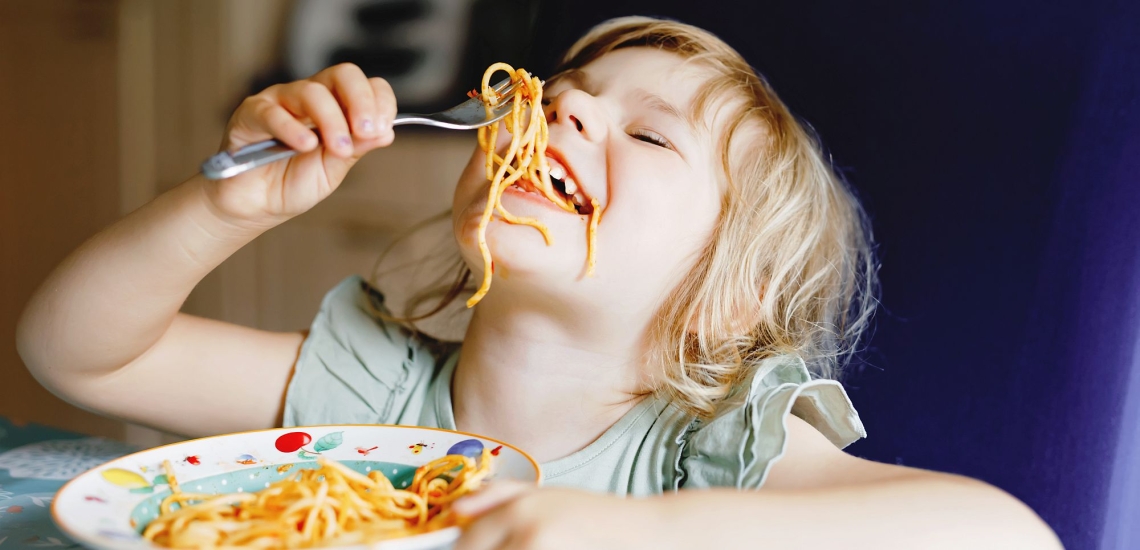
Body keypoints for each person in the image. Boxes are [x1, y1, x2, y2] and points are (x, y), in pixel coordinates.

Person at [17, 16, 1059, 549]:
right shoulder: (373, 402)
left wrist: (646, 532)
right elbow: (80, 355)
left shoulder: (703, 448)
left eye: (649, 134)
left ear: (725, 298)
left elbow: (1004, 536)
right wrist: (225, 207)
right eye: (558, 98)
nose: (561, 115)